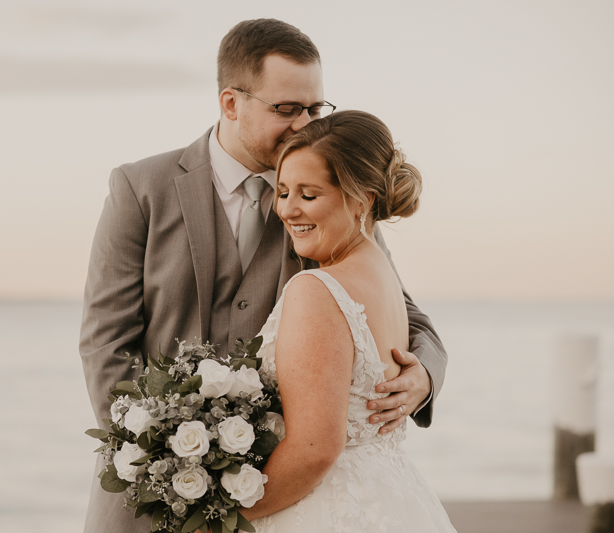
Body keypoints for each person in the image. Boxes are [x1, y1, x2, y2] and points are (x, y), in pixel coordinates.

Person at [79, 19, 447, 533]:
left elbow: (402, 313)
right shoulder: (141, 189)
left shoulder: (331, 199)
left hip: (282, 497)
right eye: (286, 110)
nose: (304, 125)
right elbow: (106, 342)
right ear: (231, 103)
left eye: (315, 109)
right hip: (154, 496)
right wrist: (166, 463)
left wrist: (423, 376)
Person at [238, 110, 456, 532]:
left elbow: (316, 449)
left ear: (362, 199)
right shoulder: (380, 275)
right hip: (391, 498)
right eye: (283, 192)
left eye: (308, 194)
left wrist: (221, 516)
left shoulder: (317, 288)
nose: (288, 210)